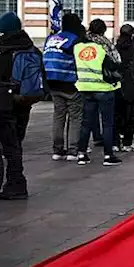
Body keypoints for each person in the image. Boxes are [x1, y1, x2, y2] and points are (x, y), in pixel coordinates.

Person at [0, 12, 38, 200]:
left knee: (10, 145)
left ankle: (16, 183)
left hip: (5, 103)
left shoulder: (2, 50)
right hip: (24, 101)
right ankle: (15, 181)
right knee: (17, 141)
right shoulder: (30, 47)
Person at [73, 23, 121, 167]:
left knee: (86, 122)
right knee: (107, 123)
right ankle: (108, 155)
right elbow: (115, 62)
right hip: (104, 88)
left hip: (85, 87)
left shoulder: (78, 47)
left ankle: (81, 153)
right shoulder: (103, 47)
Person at [44, 13, 86, 161]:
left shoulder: (51, 38)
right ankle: (73, 150)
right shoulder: (75, 39)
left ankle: (57, 150)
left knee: (58, 116)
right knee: (75, 117)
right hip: (69, 81)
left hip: (52, 81)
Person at [114, 25, 134, 152]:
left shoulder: (115, 49)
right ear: (132, 35)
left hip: (117, 84)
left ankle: (115, 142)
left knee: (117, 115)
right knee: (131, 115)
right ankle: (128, 142)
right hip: (132, 85)